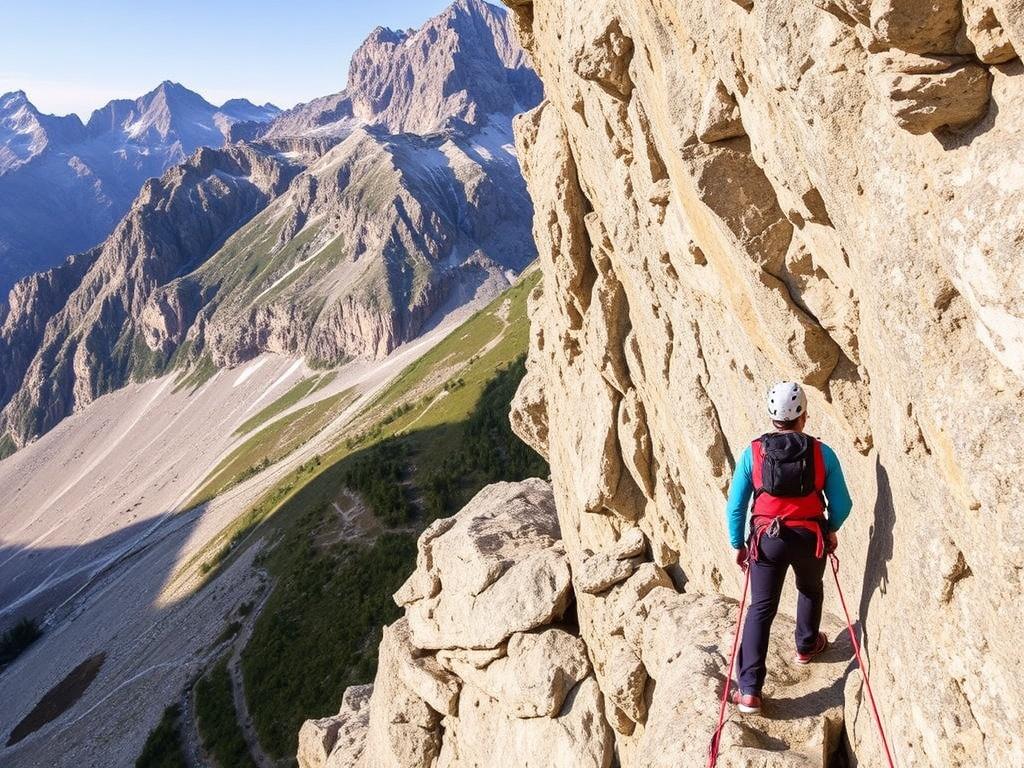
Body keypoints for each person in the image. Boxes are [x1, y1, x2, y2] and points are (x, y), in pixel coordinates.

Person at [724, 381, 852, 715]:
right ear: (804, 417)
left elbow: (736, 507)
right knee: (810, 587)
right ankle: (806, 645)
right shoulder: (822, 453)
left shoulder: (753, 453)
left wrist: (739, 544)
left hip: (768, 539)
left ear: (771, 417)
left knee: (761, 609)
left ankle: (749, 691)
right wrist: (831, 528)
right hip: (811, 536)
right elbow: (843, 502)